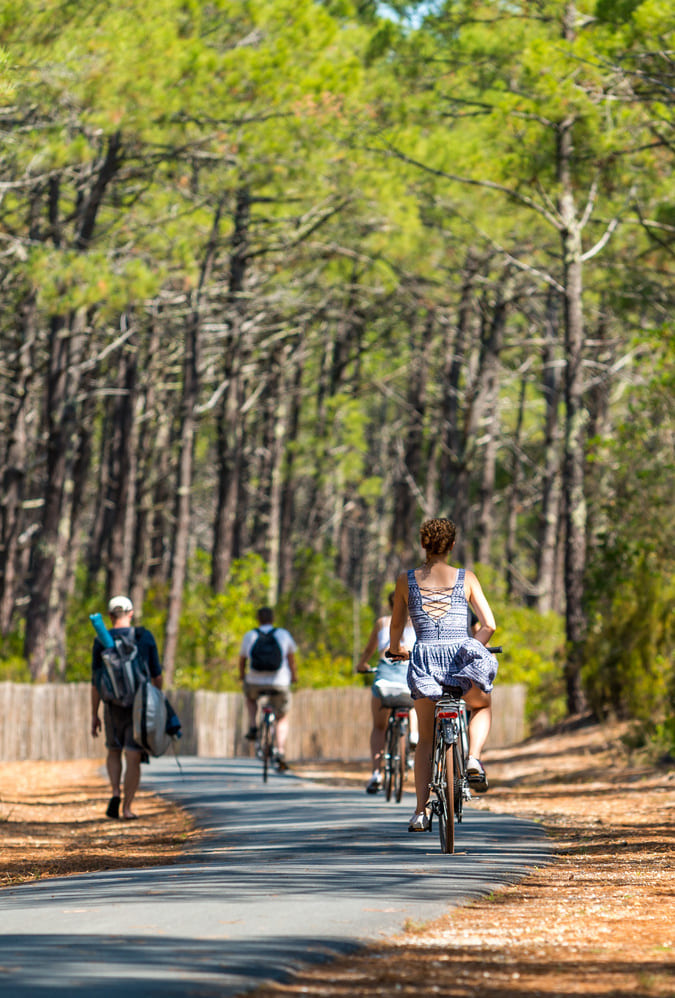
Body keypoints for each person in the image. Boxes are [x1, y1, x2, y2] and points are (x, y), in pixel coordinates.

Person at [387, 517, 497, 833]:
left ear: (423, 544)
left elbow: (397, 625)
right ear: (451, 545)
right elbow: (489, 624)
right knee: (481, 705)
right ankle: (474, 758)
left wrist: (395, 648)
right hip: (461, 656)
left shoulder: (405, 579)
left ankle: (421, 812)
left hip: (423, 658)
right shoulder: (467, 578)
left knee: (426, 737)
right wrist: (471, 649)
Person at [90, 595, 163, 820]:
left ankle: (115, 792)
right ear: (131, 613)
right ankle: (128, 808)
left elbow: (95, 682)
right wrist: (157, 702)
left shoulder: (100, 640)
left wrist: (94, 714)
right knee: (133, 755)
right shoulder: (143, 636)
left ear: (110, 616)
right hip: (139, 705)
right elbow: (157, 676)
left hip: (112, 706)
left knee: (113, 750)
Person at [356, 593, 418, 794]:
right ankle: (414, 734)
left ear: (390, 604)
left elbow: (368, 651)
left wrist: (362, 664)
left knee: (379, 727)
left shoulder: (382, 623)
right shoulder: (418, 623)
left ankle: (376, 773)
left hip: (385, 679)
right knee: (416, 699)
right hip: (408, 679)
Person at [239, 607, 298, 771]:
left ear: (258, 619)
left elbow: (242, 660)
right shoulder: (283, 634)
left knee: (251, 698)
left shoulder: (250, 635)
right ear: (273, 618)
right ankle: (280, 749)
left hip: (255, 681)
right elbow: (291, 659)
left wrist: (242, 676)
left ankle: (252, 725)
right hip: (279, 682)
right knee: (282, 717)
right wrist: (293, 676)